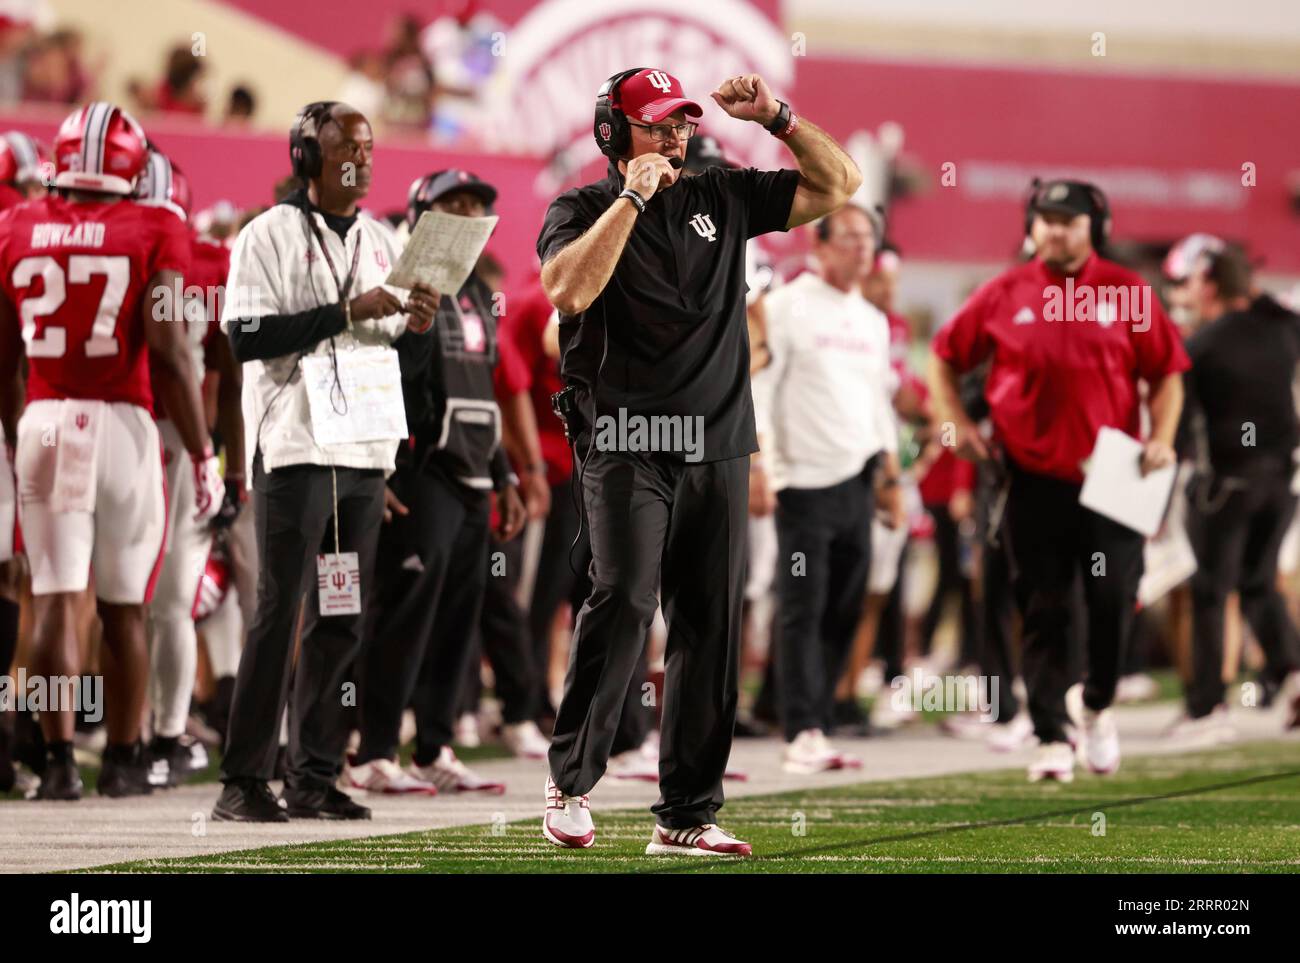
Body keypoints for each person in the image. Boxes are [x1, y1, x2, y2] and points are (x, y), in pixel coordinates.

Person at [536, 67, 861, 856]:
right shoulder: (582, 208)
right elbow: (567, 292)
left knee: (710, 627)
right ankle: (571, 779)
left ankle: (684, 814)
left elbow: (839, 184)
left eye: (681, 123)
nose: (675, 136)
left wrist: (778, 117)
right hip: (622, 443)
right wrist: (631, 198)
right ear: (614, 135)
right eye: (655, 125)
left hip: (717, 442)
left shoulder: (723, 194)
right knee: (623, 598)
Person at [213, 101, 437, 822]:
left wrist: (419, 328)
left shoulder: (382, 238)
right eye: (347, 148)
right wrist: (350, 309)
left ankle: (313, 770)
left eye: (369, 149)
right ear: (306, 156)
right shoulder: (266, 235)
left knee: (341, 612)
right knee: (280, 610)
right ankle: (244, 778)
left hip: (362, 454)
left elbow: (396, 345)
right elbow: (246, 335)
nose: (363, 161)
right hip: (297, 449)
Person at [928, 179, 1188, 783]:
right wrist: (954, 422)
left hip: (1114, 475)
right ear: (1031, 226)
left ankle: (1095, 704)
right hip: (1030, 475)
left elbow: (1168, 373)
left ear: (1096, 226)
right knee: (1042, 605)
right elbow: (945, 355)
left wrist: (1164, 437)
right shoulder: (1003, 291)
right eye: (1045, 219)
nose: (1055, 230)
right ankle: (1050, 734)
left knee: (1112, 601)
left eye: (1069, 221)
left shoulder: (1128, 291)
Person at [0, 102, 219, 799]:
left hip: (45, 418)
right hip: (124, 423)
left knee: (57, 597)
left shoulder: (15, 225)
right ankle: (124, 760)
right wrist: (203, 452)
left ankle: (57, 762)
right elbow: (170, 349)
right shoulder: (157, 225)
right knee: (126, 604)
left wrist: (15, 437)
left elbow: (4, 359)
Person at [344, 168, 525, 796]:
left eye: (477, 203)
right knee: (403, 613)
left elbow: (484, 385)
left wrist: (504, 474)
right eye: (455, 202)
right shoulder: (398, 279)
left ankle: (435, 746)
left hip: (473, 474)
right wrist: (381, 463)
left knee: (458, 618)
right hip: (421, 470)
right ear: (421, 212)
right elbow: (375, 370)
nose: (469, 212)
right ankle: (370, 749)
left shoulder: (475, 290)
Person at [751, 204, 903, 773]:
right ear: (821, 243)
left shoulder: (871, 318)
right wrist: (759, 464)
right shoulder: (787, 306)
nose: (863, 249)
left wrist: (890, 478)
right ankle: (800, 728)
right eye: (852, 238)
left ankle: (821, 715)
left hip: (858, 478)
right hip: (802, 482)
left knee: (845, 605)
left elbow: (878, 404)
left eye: (870, 239)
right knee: (801, 607)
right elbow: (761, 387)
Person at [134, 149, 244, 785]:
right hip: (172, 435)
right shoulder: (204, 259)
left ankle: (55, 741)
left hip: (58, 421)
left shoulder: (41, 230)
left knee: (76, 595)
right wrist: (222, 463)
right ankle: (162, 736)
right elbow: (219, 373)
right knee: (169, 599)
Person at [1173, 242, 1300, 737]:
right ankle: (1293, 678)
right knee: (1259, 584)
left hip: (1226, 485)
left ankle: (1208, 709)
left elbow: (1179, 427)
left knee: (1210, 591)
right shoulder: (1286, 327)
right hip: (1284, 481)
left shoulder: (1202, 344)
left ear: (1207, 285)